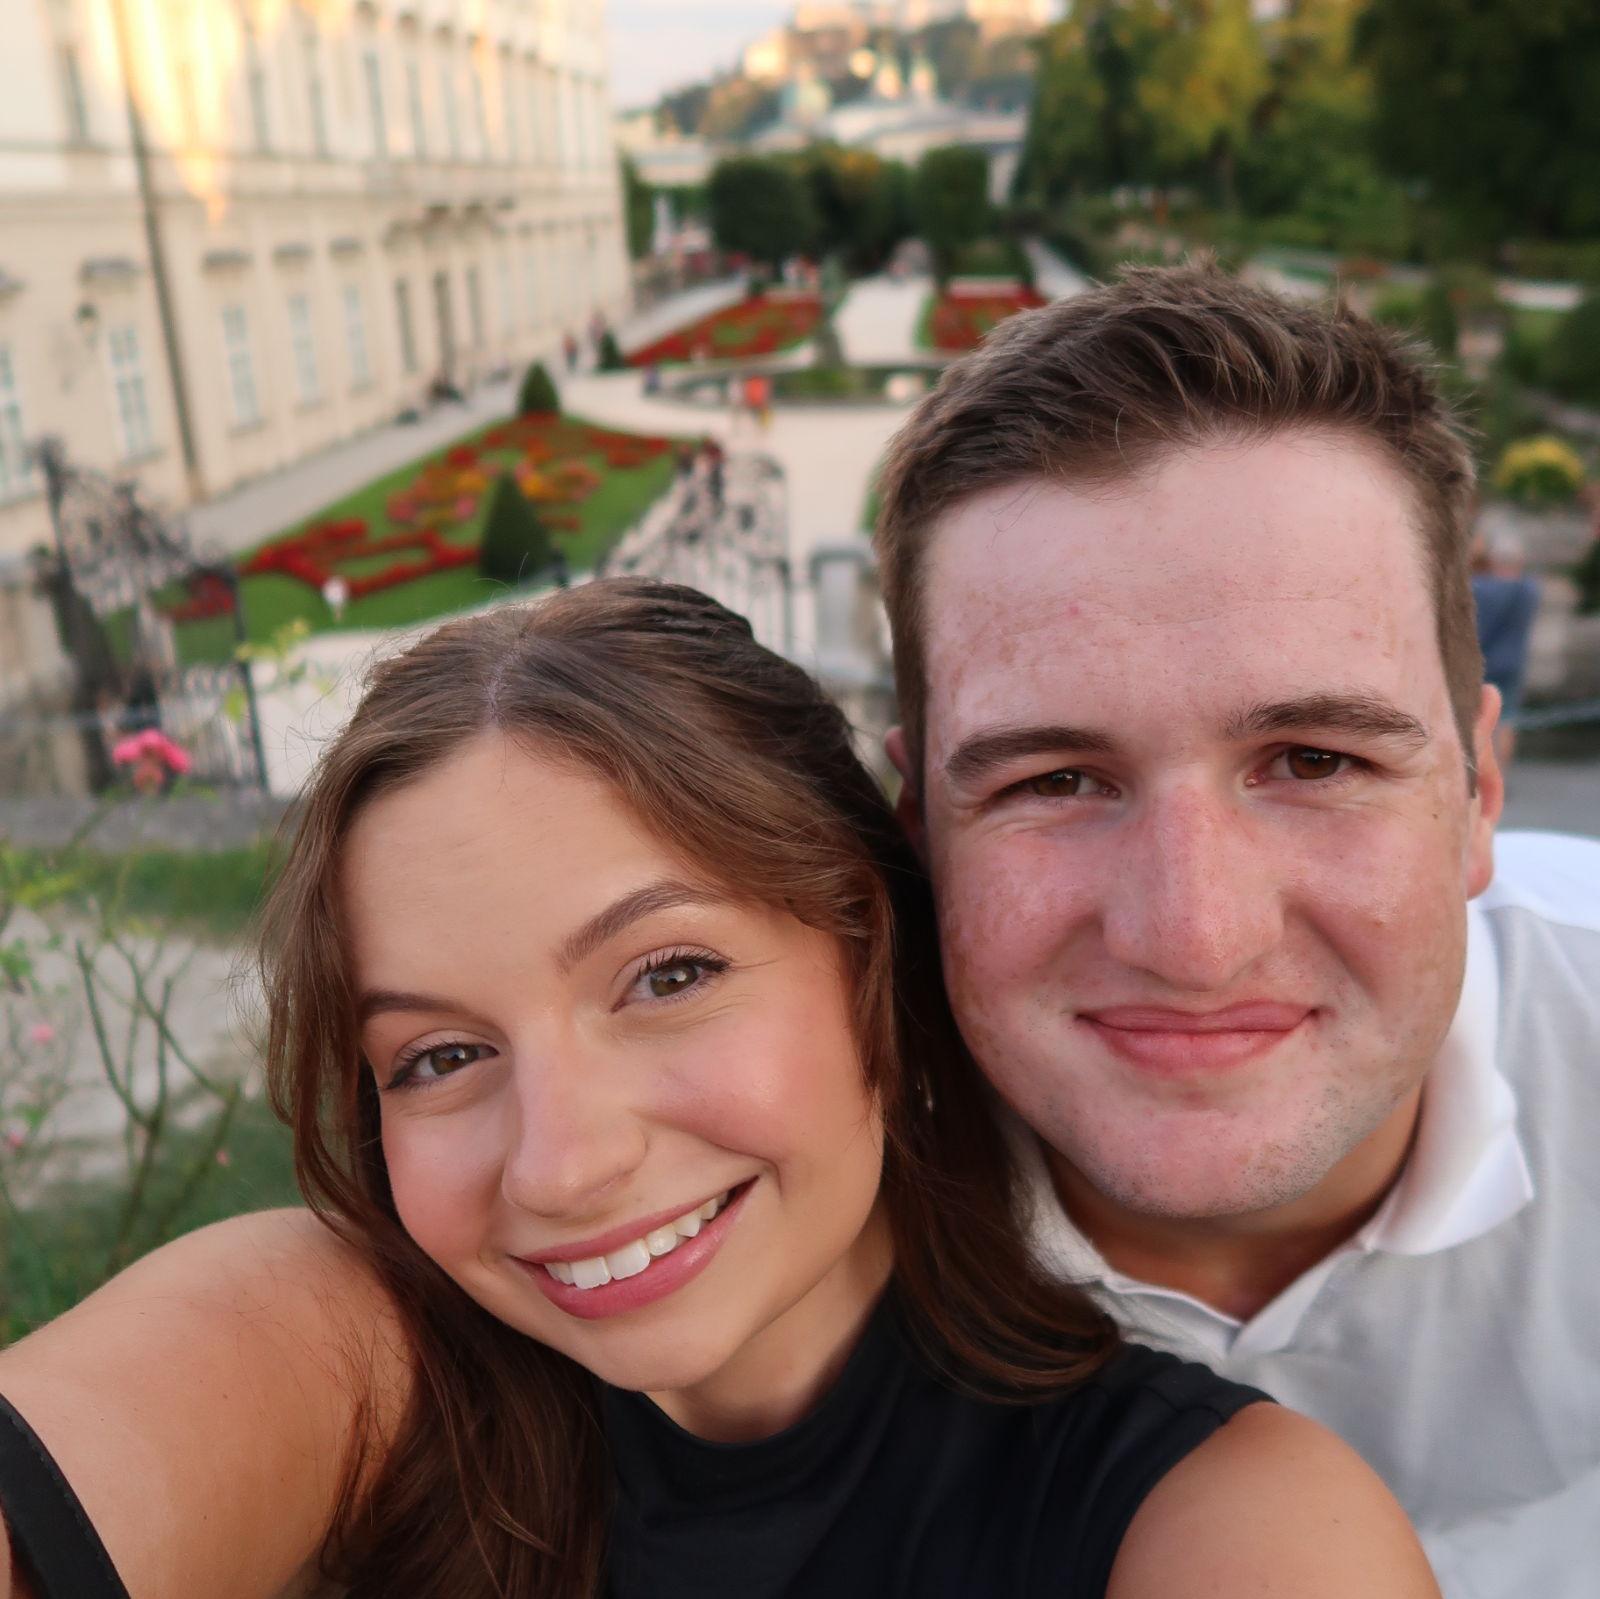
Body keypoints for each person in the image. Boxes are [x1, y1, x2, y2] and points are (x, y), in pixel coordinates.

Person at [0, 582, 1438, 1599]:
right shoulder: (357, 1370)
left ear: (868, 958)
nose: (560, 1164)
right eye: (438, 1056)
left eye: (667, 974)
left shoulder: (1219, 1516)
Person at [873, 264, 1600, 1597]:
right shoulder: (738, 1204)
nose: (1194, 936)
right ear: (918, 824)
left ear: (1478, 787)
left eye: (1313, 759)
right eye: (1055, 781)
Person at [1471, 530, 1540, 765]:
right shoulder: (1529, 590)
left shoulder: (1481, 588)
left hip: (1483, 661)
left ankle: (1481, 771)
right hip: (1514, 662)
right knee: (1507, 720)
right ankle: (1500, 771)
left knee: (1480, 718)